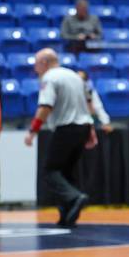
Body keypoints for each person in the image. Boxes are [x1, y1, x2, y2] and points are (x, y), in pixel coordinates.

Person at [23, 49, 94, 227]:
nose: (35, 68)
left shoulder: (50, 78)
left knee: (50, 171)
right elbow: (88, 104)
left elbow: (45, 106)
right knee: (66, 172)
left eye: (37, 63)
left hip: (66, 128)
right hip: (83, 127)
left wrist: (33, 131)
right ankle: (67, 216)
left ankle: (75, 197)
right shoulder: (75, 76)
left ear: (45, 62)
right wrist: (91, 130)